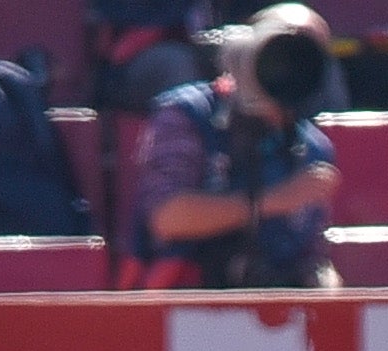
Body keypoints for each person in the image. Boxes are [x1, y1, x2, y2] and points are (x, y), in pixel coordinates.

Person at [124, 2, 339, 288]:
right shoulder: (189, 114)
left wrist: (328, 289)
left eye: (307, 53)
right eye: (281, 49)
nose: (290, 64)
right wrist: (272, 201)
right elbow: (167, 217)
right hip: (182, 300)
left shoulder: (313, 148)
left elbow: (312, 256)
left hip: (276, 306)